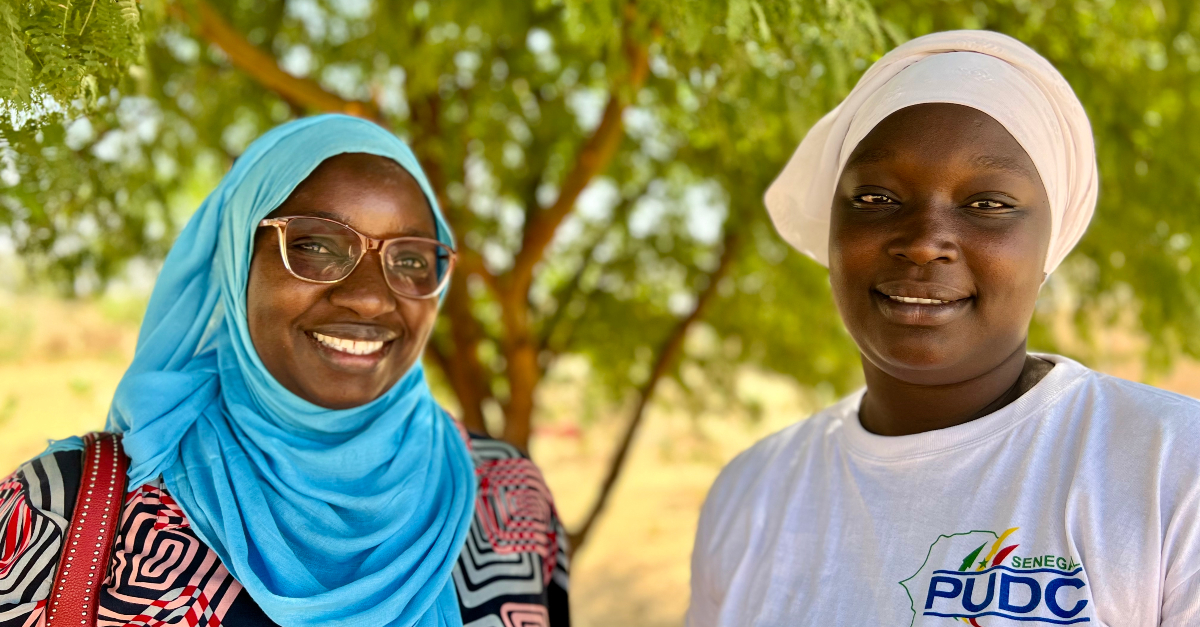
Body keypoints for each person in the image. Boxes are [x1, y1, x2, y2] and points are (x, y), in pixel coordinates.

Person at [687, 30, 1200, 626]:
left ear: (1048, 245)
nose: (925, 242)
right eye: (877, 197)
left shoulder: (1172, 472)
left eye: (988, 204)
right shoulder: (751, 494)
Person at [0, 115, 569, 627]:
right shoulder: (64, 517)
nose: (371, 299)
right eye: (317, 245)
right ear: (237, 261)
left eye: (412, 259)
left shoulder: (510, 499)